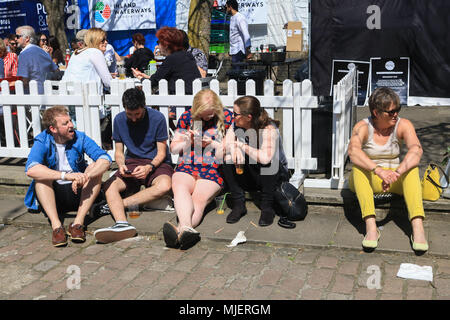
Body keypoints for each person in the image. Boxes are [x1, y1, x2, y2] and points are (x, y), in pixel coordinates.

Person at [348, 87, 428, 252]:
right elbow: (353, 152)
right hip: (370, 179)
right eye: (391, 112)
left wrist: (397, 173)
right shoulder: (362, 127)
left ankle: (418, 228)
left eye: (397, 109)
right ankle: (371, 227)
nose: (396, 114)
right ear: (376, 113)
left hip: (394, 178)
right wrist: (379, 171)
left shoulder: (403, 124)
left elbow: (416, 150)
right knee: (358, 168)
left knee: (412, 169)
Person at [24, 106, 112, 247]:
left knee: (95, 169)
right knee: (41, 176)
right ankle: (57, 227)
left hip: (79, 193)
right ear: (53, 129)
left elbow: (105, 159)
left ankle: (78, 223)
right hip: (54, 196)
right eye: (65, 123)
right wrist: (66, 176)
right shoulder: (42, 140)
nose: (71, 125)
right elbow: (31, 169)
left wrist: (85, 176)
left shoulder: (80, 137)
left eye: (70, 121)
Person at [94, 88, 173, 244]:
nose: (134, 118)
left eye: (137, 114)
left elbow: (161, 153)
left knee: (165, 185)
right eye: (130, 114)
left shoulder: (157, 118)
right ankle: (121, 223)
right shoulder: (118, 119)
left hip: (156, 163)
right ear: (124, 108)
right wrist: (121, 165)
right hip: (132, 162)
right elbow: (118, 151)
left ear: (144, 106)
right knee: (109, 185)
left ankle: (115, 205)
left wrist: (149, 167)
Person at [163, 89, 233, 250]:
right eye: (204, 115)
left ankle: (180, 230)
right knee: (180, 188)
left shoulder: (228, 117)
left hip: (213, 166)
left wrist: (211, 143)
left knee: (199, 199)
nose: (208, 118)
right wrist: (188, 142)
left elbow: (229, 150)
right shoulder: (187, 117)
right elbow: (174, 148)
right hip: (188, 163)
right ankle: (186, 229)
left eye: (211, 114)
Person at [222, 95, 289, 227]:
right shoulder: (236, 124)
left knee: (270, 163)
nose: (232, 116)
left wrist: (240, 146)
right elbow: (225, 146)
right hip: (252, 175)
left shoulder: (268, 128)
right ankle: (239, 205)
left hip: (274, 178)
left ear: (248, 117)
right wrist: (233, 149)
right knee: (228, 159)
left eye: (235, 114)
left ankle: (267, 207)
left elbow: (265, 159)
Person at [132, 27, 201, 95]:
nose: (158, 45)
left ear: (166, 45)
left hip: (181, 102)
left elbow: (152, 83)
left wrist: (139, 77)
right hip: (193, 98)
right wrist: (146, 76)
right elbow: (159, 77)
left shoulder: (172, 59)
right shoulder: (187, 55)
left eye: (159, 42)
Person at [15, 26, 58, 94]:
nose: (15, 39)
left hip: (32, 96)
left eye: (17, 36)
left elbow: (24, 81)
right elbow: (56, 71)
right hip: (47, 94)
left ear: (27, 38)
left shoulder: (23, 55)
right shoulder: (43, 52)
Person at [225, 0, 252, 68]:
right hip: (234, 50)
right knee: (235, 73)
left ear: (230, 7)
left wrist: (248, 49)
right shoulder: (232, 18)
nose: (226, 10)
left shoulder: (240, 18)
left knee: (237, 74)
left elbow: (245, 33)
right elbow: (232, 34)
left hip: (239, 50)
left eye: (226, 7)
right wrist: (230, 49)